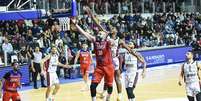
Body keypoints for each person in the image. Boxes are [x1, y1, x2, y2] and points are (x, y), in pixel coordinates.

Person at [84, 6, 133, 101]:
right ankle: (105, 92)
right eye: (112, 28)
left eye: (114, 28)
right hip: (105, 59)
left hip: (114, 59)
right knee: (107, 77)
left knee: (117, 77)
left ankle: (119, 95)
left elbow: (129, 49)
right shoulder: (106, 35)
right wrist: (91, 14)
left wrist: (131, 50)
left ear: (117, 31)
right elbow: (97, 23)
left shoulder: (120, 40)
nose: (112, 28)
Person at [71, 17, 116, 101]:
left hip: (109, 66)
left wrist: (109, 37)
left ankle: (108, 98)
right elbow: (84, 33)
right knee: (92, 86)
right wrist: (76, 24)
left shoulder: (108, 41)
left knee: (110, 86)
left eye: (100, 34)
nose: (98, 34)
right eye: (98, 33)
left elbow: (113, 42)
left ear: (104, 35)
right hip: (99, 68)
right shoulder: (94, 40)